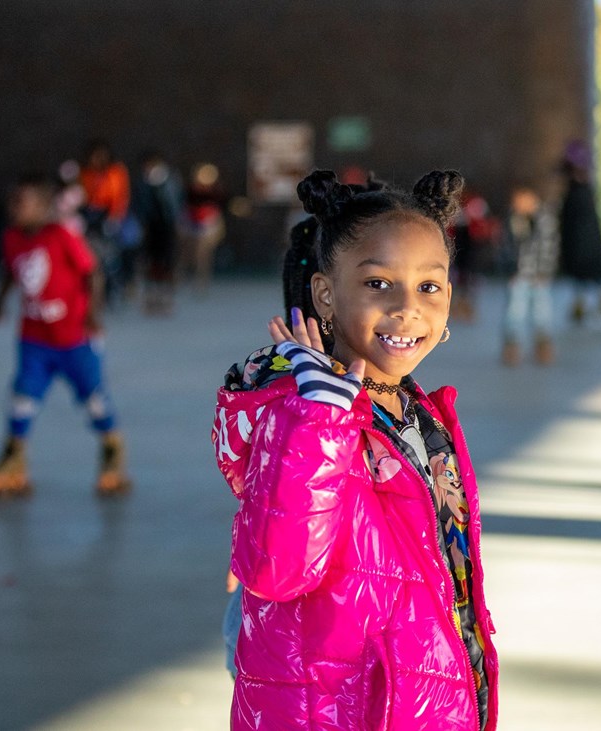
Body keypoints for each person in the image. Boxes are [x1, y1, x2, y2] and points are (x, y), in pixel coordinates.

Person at [212, 169, 499, 730]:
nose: (406, 307)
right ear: (325, 292)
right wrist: (318, 418)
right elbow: (278, 568)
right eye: (377, 284)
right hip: (338, 708)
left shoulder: (421, 412)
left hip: (428, 696)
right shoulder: (296, 410)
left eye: (429, 286)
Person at [0, 173, 130, 498]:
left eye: (23, 202)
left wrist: (92, 313)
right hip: (34, 339)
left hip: (73, 339)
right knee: (22, 396)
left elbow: (92, 273)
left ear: (42, 207)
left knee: (93, 398)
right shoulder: (12, 237)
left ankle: (111, 451)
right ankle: (14, 456)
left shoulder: (62, 235)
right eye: (13, 202)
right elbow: (10, 270)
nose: (15, 208)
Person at [500, 183, 559, 366]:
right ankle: (512, 345)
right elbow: (506, 247)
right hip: (518, 274)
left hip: (539, 275)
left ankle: (543, 345)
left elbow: (550, 247)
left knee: (542, 311)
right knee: (514, 311)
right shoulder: (512, 219)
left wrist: (546, 271)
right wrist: (509, 269)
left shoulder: (545, 220)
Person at [559, 140, 601, 322]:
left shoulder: (580, 192)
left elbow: (581, 221)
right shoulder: (580, 190)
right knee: (583, 277)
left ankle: (585, 304)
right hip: (581, 242)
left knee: (587, 275)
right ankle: (581, 305)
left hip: (583, 243)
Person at [79, 139, 135, 301]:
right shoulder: (84, 173)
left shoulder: (116, 171)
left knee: (116, 250)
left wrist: (114, 217)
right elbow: (81, 195)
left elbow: (121, 195)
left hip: (110, 214)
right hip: (89, 214)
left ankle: (118, 286)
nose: (97, 160)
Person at [131, 150, 184, 315]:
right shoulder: (142, 183)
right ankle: (151, 300)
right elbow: (139, 205)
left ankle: (167, 299)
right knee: (150, 262)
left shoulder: (170, 179)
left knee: (166, 261)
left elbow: (175, 202)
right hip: (150, 227)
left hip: (166, 226)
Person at [181, 162, 228, 295]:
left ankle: (201, 280)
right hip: (192, 225)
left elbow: (221, 206)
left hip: (208, 226)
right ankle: (186, 275)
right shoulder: (191, 190)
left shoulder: (215, 192)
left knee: (203, 254)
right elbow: (187, 205)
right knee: (188, 253)